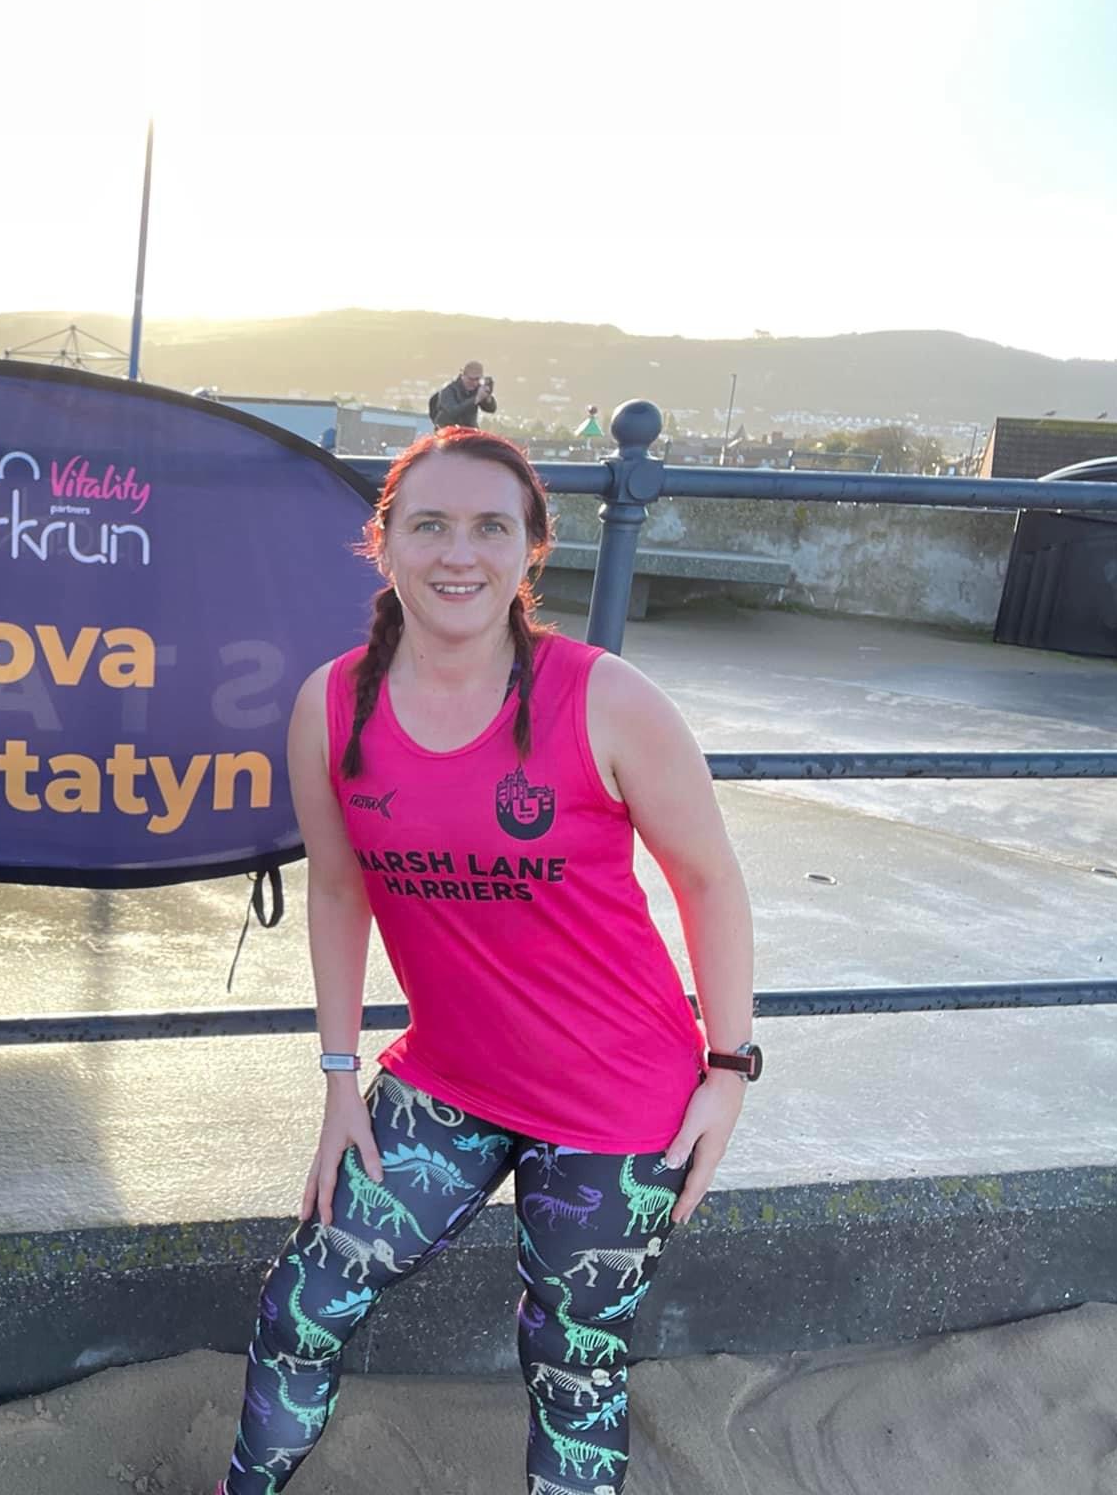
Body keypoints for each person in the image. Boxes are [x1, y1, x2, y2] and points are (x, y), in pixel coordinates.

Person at [216, 427, 757, 1493]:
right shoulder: (332, 705)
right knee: (300, 1309)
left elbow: (709, 880)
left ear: (530, 549)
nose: (457, 554)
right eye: (428, 525)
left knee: (569, 1360)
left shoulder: (604, 698)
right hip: (448, 1082)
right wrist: (338, 1080)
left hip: (618, 1101)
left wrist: (728, 1069)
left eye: (488, 528)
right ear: (384, 544)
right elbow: (337, 890)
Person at [427, 360, 498, 429]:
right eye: (470, 379)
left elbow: (491, 409)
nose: (474, 383)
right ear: (463, 375)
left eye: (477, 379)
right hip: (447, 428)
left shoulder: (477, 389)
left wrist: (488, 397)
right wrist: (476, 399)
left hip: (469, 429)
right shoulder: (448, 390)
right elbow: (452, 412)